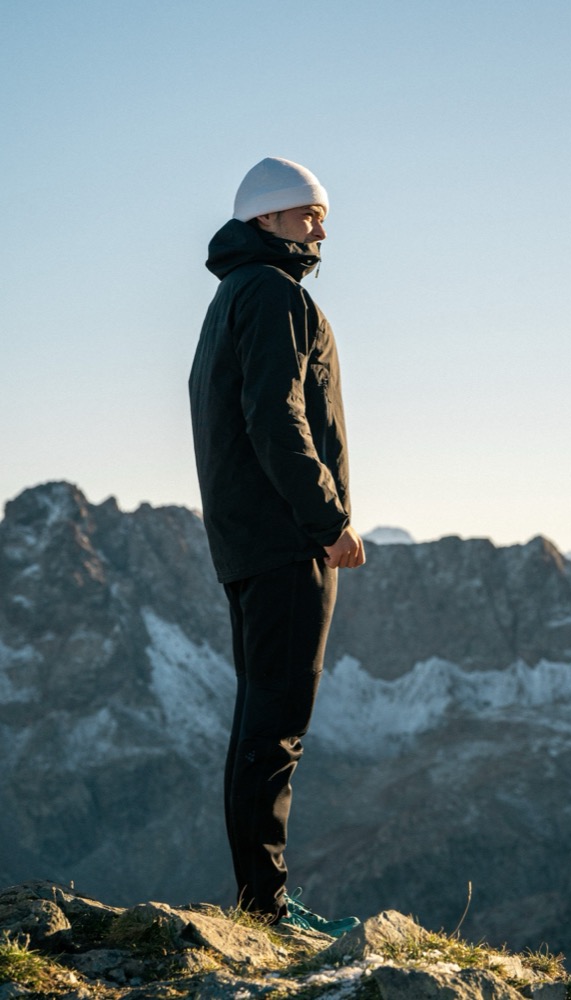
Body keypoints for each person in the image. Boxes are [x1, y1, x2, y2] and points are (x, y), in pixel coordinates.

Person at [189, 157, 365, 935]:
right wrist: (328, 522)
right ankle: (267, 908)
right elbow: (277, 418)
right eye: (305, 212)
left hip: (247, 542)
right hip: (287, 543)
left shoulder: (232, 295)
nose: (320, 225)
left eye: (322, 212)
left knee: (257, 722)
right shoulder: (271, 294)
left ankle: (258, 901)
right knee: (277, 726)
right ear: (265, 218)